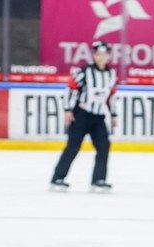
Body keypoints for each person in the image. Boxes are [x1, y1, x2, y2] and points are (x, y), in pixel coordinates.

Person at [50, 40, 118, 192]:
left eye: (104, 55)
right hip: (81, 115)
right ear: (94, 55)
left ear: (108, 56)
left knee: (104, 147)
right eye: (98, 55)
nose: (101, 58)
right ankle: (57, 178)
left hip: (99, 116)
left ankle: (98, 180)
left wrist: (113, 114)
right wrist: (68, 109)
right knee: (73, 147)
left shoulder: (111, 74)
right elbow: (70, 89)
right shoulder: (84, 71)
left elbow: (111, 95)